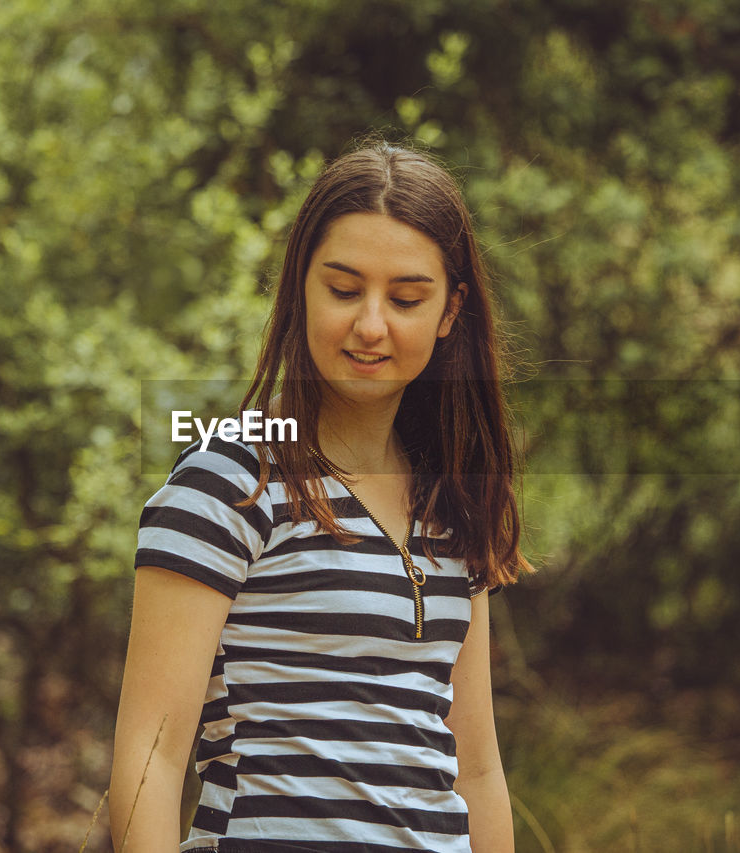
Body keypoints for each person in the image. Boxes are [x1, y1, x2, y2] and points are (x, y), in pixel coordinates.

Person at [110, 140, 531, 851]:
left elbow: (479, 769)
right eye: (342, 290)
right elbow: (149, 761)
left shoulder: (452, 501)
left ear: (451, 310)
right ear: (300, 286)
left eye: (405, 298)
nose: (371, 325)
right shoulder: (227, 481)